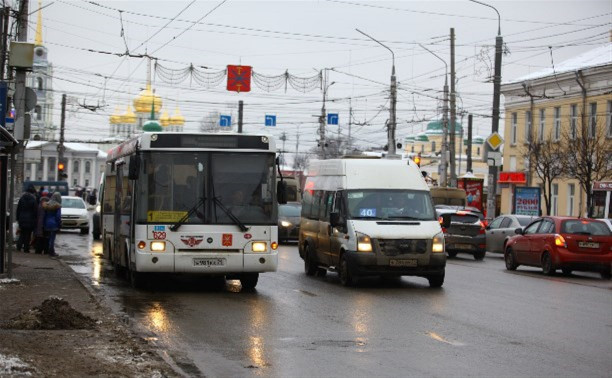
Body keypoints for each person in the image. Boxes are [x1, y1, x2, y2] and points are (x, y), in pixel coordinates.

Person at [16, 184, 38, 253]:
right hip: (30, 219)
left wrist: (18, 218)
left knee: (22, 233)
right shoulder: (33, 200)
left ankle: (19, 246)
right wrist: (35, 220)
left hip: (22, 218)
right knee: (28, 235)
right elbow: (35, 211)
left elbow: (18, 209)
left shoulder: (22, 198)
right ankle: (26, 248)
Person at [43, 192, 62, 257]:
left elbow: (44, 215)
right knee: (52, 238)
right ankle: (51, 252)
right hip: (54, 224)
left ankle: (48, 251)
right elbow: (58, 216)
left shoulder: (47, 204)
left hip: (47, 222)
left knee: (48, 238)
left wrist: (44, 223)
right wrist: (59, 224)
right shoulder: (57, 206)